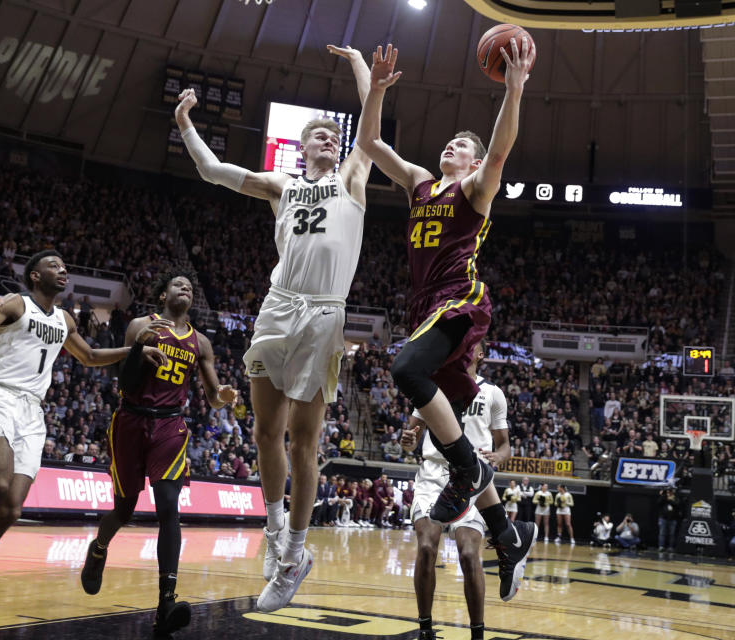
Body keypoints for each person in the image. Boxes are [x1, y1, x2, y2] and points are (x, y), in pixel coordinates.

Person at [175, 45, 373, 612]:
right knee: (266, 432)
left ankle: (294, 552)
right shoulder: (281, 185)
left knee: (304, 440)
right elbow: (213, 172)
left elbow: (371, 125)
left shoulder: (353, 178)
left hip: (324, 313)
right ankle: (274, 523)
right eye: (321, 136)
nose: (330, 141)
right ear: (301, 146)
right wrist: (186, 124)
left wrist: (365, 71)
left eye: (336, 137)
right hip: (279, 304)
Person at [356, 40, 537, 602]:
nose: (450, 146)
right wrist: (376, 89)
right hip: (424, 309)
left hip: (459, 300)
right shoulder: (419, 183)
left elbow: (501, 150)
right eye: (451, 141)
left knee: (406, 371)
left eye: (461, 144)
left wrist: (513, 89)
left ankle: (465, 475)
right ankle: (508, 535)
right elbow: (368, 143)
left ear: (473, 161)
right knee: (443, 423)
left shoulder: (476, 187)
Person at [0, 251, 166, 633]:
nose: (63, 269)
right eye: (54, 265)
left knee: (11, 509)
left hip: (33, 413)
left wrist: (136, 351)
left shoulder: (64, 319)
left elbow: (91, 356)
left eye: (65, 265)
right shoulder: (18, 303)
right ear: (34, 275)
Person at [79, 272, 237, 635]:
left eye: (191, 287)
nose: (186, 289)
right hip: (131, 421)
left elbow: (212, 397)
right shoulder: (140, 324)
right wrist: (138, 347)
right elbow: (124, 381)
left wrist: (223, 396)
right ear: (163, 293)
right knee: (125, 507)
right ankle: (99, 547)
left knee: (168, 505)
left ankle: (166, 600)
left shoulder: (201, 342)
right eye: (179, 284)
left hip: (170, 426)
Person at [403, 340, 510, 640]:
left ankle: (477, 633)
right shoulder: (434, 386)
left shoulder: (493, 393)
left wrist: (497, 457)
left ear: (480, 354)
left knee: (467, 554)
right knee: (426, 547)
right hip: (434, 473)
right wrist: (408, 439)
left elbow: (504, 445)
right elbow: (411, 430)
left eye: (470, 344)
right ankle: (425, 629)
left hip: (471, 478)